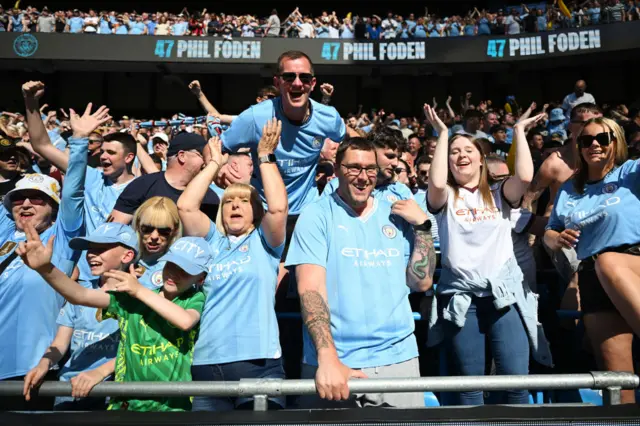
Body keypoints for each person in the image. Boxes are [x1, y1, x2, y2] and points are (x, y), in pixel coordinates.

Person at [285, 137, 436, 408]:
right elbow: (310, 289)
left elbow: (421, 282)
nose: (363, 177)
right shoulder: (316, 215)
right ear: (338, 169)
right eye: (353, 168)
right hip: (335, 362)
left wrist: (423, 227)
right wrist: (327, 357)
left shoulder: (398, 213)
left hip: (397, 358)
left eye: (370, 169)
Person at [424, 104, 552, 405]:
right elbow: (438, 182)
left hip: (504, 297)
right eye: (454, 152)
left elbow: (523, 175)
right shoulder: (444, 197)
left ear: (481, 160)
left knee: (516, 384)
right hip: (463, 301)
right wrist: (444, 133)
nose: (461, 155)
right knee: (470, 389)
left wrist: (518, 132)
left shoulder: (499, 194)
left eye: (468, 149)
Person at [19, 227, 212, 411]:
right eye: (171, 265)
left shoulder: (193, 298)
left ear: (200, 278)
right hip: (126, 405)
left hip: (171, 407)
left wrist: (138, 290)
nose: (174, 273)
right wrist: (45, 268)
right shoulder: (133, 298)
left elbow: (185, 321)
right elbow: (81, 296)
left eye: (185, 270)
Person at [178, 120, 288, 411]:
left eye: (243, 201)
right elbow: (186, 207)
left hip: (259, 364)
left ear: (255, 211)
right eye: (229, 202)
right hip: (207, 365)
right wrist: (213, 165)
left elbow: (278, 208)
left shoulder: (266, 244)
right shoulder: (211, 242)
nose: (235, 206)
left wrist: (264, 157)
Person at [544, 118, 639, 404]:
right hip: (591, 275)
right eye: (586, 141)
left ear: (616, 141)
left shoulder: (631, 172)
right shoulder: (569, 189)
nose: (594, 145)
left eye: (602, 138)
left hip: (632, 262)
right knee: (618, 383)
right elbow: (550, 230)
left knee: (608, 261)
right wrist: (556, 239)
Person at [23, 223, 137, 411]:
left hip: (112, 393)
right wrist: (44, 363)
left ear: (127, 255)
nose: (91, 254)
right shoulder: (82, 288)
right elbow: (60, 343)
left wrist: (99, 372)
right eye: (90, 249)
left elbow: (139, 348)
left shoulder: (140, 297)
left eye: (101, 249)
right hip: (68, 389)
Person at [220, 50, 346, 219]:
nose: (297, 83)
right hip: (263, 210)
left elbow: (346, 144)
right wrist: (218, 168)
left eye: (305, 78)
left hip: (307, 213)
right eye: (289, 77)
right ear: (277, 82)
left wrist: (331, 167)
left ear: (313, 83)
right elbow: (215, 147)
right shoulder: (255, 117)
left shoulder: (329, 117)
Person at [0, 170, 83, 411]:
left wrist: (77, 142)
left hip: (29, 369)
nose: (25, 204)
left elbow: (74, 195)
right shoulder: (5, 231)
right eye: (18, 198)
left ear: (54, 208)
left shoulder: (61, 238)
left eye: (36, 198)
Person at [109, 132, 220, 224]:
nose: (206, 163)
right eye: (201, 155)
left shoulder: (209, 197)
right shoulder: (142, 186)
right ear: (182, 156)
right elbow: (112, 231)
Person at [322, 127, 413, 203]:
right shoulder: (336, 185)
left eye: (398, 158)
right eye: (390, 156)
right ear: (372, 151)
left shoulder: (402, 192)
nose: (395, 163)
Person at [132, 196, 183, 290]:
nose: (154, 236)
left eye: (164, 231)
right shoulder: (123, 251)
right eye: (147, 229)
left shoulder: (178, 266)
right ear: (138, 225)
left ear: (175, 230)